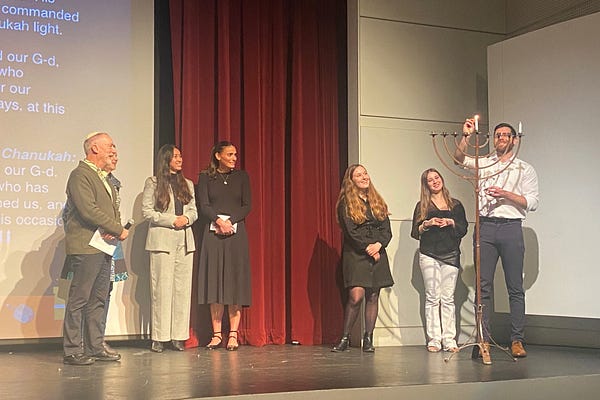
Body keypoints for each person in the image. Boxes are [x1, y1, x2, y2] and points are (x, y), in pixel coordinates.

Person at [455, 118, 539, 361]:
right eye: (497, 135)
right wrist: (466, 136)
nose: (501, 138)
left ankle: (517, 339)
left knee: (515, 287)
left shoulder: (524, 169)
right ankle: (483, 339)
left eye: (505, 135)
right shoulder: (485, 163)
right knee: (483, 287)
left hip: (511, 227)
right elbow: (459, 160)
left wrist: (506, 195)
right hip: (485, 226)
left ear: (514, 140)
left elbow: (532, 202)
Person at [62, 132, 128, 365]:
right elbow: (88, 210)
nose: (114, 150)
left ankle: (94, 346)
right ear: (95, 148)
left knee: (99, 297)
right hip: (86, 246)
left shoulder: (105, 178)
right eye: (110, 145)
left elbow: (110, 209)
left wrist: (113, 229)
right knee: (79, 298)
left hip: (104, 245)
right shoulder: (80, 174)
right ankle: (72, 350)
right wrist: (117, 228)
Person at [332, 164, 394, 353]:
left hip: (377, 252)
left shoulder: (377, 201)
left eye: (365, 173)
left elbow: (386, 230)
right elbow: (350, 232)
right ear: (351, 181)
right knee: (356, 297)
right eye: (359, 175)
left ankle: (368, 338)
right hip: (357, 253)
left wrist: (379, 245)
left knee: (373, 295)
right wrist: (369, 248)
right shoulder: (345, 203)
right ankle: (345, 338)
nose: (364, 177)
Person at [142, 144, 198, 352]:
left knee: (182, 290)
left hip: (184, 240)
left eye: (180, 156)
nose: (180, 159)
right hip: (162, 240)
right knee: (162, 289)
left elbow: (193, 211)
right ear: (166, 159)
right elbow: (147, 212)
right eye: (175, 156)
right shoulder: (153, 183)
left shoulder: (187, 184)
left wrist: (186, 219)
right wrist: (172, 220)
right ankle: (160, 337)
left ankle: (178, 336)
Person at [197, 141, 251, 351]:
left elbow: (247, 206)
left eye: (235, 154)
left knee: (234, 282)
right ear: (218, 156)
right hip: (213, 233)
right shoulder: (206, 177)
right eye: (230, 154)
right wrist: (219, 221)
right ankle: (217, 334)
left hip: (236, 234)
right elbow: (204, 205)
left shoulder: (242, 177)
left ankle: (233, 335)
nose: (234, 158)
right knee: (215, 282)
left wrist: (230, 222)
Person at [410, 168, 468, 353]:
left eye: (436, 178)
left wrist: (451, 222)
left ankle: (449, 340)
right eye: (430, 180)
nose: (435, 181)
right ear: (426, 185)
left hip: (451, 253)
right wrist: (427, 224)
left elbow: (463, 228)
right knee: (432, 297)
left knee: (448, 298)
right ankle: (434, 339)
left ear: (442, 179)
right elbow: (415, 232)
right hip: (429, 254)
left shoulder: (455, 205)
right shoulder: (422, 206)